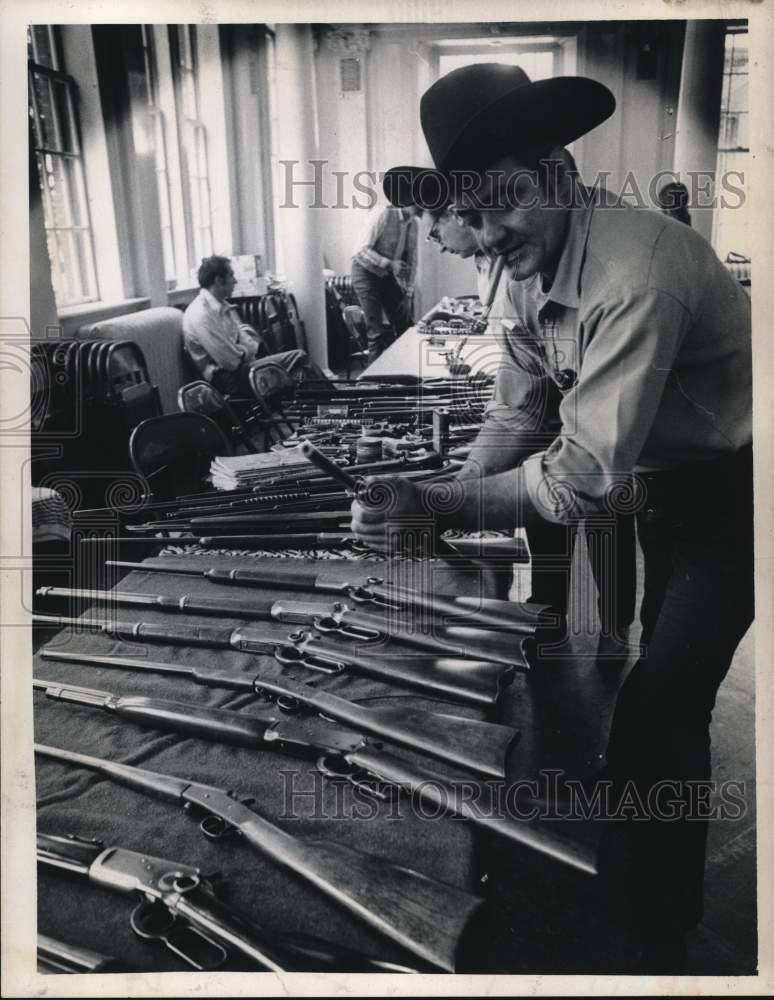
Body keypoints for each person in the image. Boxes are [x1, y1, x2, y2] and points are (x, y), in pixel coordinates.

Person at [355, 64, 753, 972]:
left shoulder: (637, 271)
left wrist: (442, 505)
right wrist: (439, 501)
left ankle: (656, 924)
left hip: (735, 489)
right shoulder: (526, 261)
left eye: (502, 207)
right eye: (473, 215)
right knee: (656, 641)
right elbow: (519, 412)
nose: (487, 236)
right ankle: (638, 807)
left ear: (560, 177)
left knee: (665, 702)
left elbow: (579, 477)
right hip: (655, 474)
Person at [386, 166, 637, 665]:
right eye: (470, 216)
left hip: (610, 432)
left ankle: (615, 627)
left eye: (436, 219)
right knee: (545, 526)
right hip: (553, 422)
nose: (433, 236)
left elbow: (582, 450)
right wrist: (470, 478)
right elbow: (519, 398)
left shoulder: (618, 270)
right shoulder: (509, 268)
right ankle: (548, 617)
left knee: (608, 521)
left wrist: (447, 500)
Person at [183, 255, 325, 396]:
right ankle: (333, 408)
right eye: (231, 276)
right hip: (228, 379)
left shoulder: (222, 306)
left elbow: (249, 344)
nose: (235, 281)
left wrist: (241, 350)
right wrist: (243, 351)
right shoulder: (200, 314)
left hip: (241, 369)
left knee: (302, 372)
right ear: (219, 281)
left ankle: (327, 409)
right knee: (299, 357)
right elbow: (230, 362)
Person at [350, 203, 421, 363]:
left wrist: (408, 295)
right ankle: (371, 384)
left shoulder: (414, 223)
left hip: (385, 274)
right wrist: (389, 263)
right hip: (364, 270)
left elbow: (412, 261)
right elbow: (361, 249)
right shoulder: (384, 213)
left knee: (406, 325)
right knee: (376, 332)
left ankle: (407, 371)